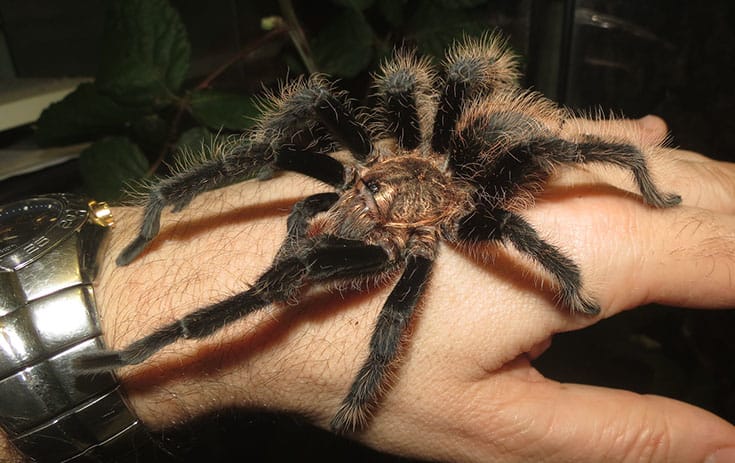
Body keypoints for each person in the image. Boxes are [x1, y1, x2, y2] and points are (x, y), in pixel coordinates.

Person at [2, 116, 733, 462]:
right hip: (411, 170)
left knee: (289, 289)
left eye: (364, 199)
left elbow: (410, 310)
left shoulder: (440, 230)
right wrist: (156, 232)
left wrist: (567, 280)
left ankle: (148, 347)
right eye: (358, 189)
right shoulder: (358, 177)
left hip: (438, 206)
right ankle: (142, 305)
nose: (357, 204)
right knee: (273, 189)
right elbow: (282, 136)